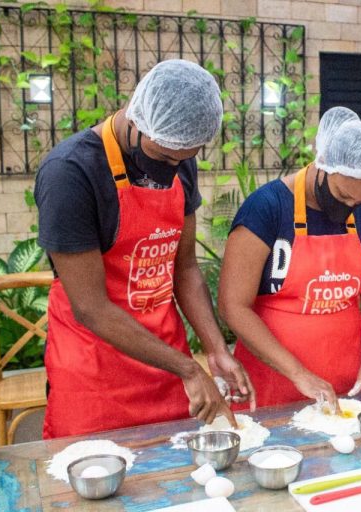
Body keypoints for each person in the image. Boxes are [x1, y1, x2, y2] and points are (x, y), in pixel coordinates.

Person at [34, 59, 253, 439]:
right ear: (136, 119)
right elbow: (90, 307)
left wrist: (216, 350)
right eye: (164, 158)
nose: (173, 169)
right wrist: (188, 368)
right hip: (94, 370)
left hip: (165, 364)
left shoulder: (179, 159)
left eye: (185, 159)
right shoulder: (70, 173)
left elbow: (184, 269)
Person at [219, 112, 361, 413]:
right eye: (343, 195)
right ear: (322, 164)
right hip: (274, 385)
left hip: (346, 387)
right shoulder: (268, 208)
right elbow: (232, 306)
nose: (351, 207)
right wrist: (298, 373)